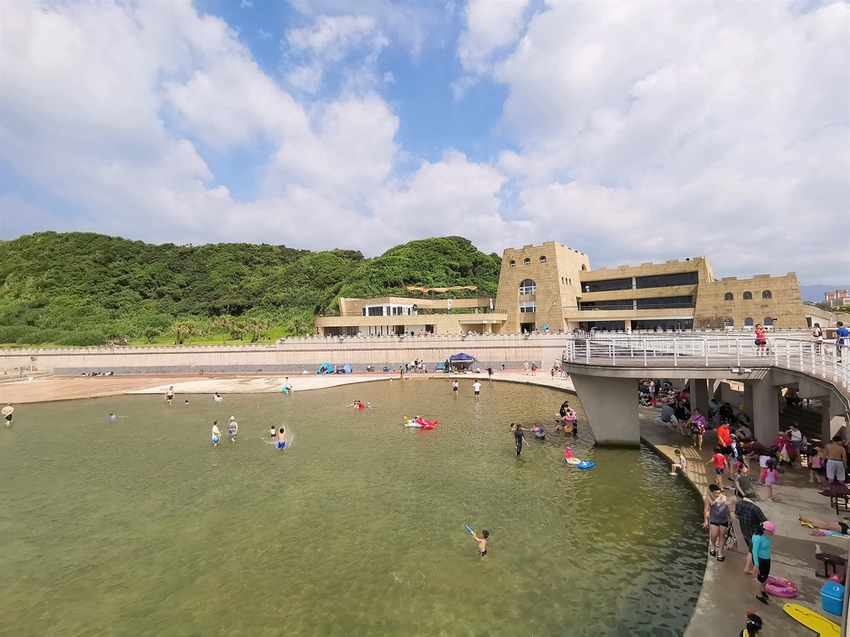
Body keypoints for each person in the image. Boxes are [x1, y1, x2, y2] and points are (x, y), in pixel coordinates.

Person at [735, 497, 767, 575]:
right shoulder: (755, 509)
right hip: (754, 533)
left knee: (751, 548)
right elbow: (764, 521)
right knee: (752, 551)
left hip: (744, 531)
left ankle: (750, 563)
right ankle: (748, 568)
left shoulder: (738, 504)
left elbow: (736, 515)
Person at [703, 484, 729, 561]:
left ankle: (720, 552)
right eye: (715, 493)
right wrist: (706, 520)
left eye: (718, 492)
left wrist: (730, 517)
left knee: (722, 535)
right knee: (714, 534)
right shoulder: (709, 498)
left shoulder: (723, 497)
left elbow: (726, 507)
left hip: (723, 518)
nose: (717, 494)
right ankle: (713, 546)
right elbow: (706, 510)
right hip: (714, 519)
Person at [752, 521, 775, 604]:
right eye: (771, 531)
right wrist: (756, 565)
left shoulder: (765, 535)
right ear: (766, 530)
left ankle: (762, 590)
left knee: (766, 575)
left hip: (766, 558)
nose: (772, 533)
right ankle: (758, 594)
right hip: (760, 559)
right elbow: (754, 551)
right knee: (760, 577)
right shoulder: (757, 538)